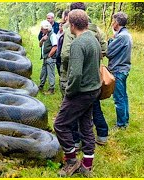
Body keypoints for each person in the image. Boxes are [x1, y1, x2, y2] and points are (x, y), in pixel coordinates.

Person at [54, 9, 101, 177]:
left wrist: (69, 92)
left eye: (68, 24)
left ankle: (72, 161)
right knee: (86, 126)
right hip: (94, 90)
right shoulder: (93, 39)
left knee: (60, 124)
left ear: (72, 25)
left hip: (80, 92)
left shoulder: (78, 43)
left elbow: (76, 74)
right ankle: (87, 164)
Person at [60, 2, 109, 148]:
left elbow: (66, 55)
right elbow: (104, 50)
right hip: (93, 80)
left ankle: (74, 146)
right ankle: (100, 138)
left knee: (63, 121)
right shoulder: (95, 31)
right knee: (90, 114)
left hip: (79, 83)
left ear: (72, 22)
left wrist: (69, 91)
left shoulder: (73, 35)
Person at [106, 12, 132, 130]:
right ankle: (125, 120)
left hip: (118, 70)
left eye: (113, 20)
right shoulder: (125, 34)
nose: (112, 23)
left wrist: (111, 40)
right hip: (123, 69)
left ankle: (121, 124)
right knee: (123, 96)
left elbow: (109, 52)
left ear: (117, 22)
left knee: (119, 98)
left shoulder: (121, 37)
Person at [38, 20, 57, 94]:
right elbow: (40, 45)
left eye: (42, 29)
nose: (41, 30)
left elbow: (55, 47)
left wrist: (49, 56)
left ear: (46, 29)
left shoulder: (52, 35)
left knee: (50, 73)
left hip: (50, 58)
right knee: (43, 72)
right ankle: (41, 86)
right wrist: (42, 39)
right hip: (45, 57)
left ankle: (51, 89)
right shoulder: (45, 35)